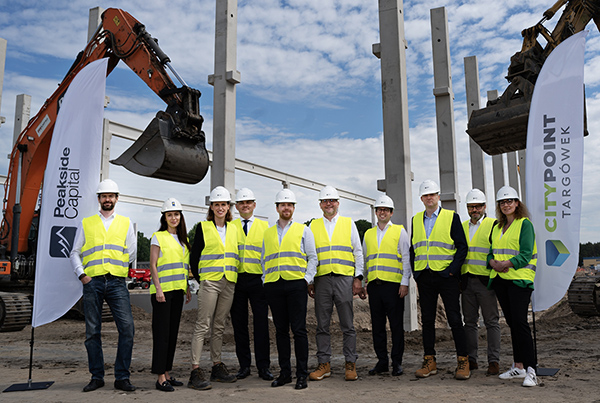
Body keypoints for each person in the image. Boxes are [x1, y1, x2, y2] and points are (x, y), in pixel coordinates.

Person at [70, 179, 137, 392]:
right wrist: (82, 275)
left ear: (116, 198)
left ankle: (121, 377)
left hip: (117, 282)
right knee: (92, 332)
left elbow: (132, 252)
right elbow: (75, 252)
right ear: (99, 199)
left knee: (127, 329)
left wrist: (118, 269)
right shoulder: (86, 223)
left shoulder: (125, 223)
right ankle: (96, 377)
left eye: (111, 196)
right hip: (93, 282)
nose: (107, 199)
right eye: (103, 196)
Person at [410, 179, 470, 380]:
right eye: (426, 195)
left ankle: (463, 360)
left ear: (438, 196)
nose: (429, 198)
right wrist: (416, 273)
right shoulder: (416, 219)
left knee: (454, 318)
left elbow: (462, 247)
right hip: (425, 277)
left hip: (446, 277)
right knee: (427, 321)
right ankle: (429, 360)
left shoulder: (451, 217)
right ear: (421, 198)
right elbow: (414, 248)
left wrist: (452, 271)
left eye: (433, 194)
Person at [261, 189, 317, 390]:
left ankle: (301, 374)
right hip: (274, 285)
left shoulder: (304, 230)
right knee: (281, 331)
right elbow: (263, 260)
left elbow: (313, 258)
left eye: (290, 205)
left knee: (299, 330)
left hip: (296, 285)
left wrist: (306, 280)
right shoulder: (267, 233)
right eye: (283, 205)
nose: (286, 208)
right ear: (277, 208)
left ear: (294, 208)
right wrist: (265, 280)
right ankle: (285, 373)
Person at [308, 185, 364, 382]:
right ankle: (324, 364)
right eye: (325, 200)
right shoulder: (313, 226)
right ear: (320, 204)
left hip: (344, 280)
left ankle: (350, 363)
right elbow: (309, 255)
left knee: (348, 325)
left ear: (338, 203)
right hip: (322, 280)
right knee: (322, 325)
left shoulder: (349, 224)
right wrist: (310, 279)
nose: (328, 203)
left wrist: (358, 277)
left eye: (331, 200)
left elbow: (358, 251)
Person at [188, 186, 239, 390]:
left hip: (229, 281)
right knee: (203, 325)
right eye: (217, 204)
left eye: (224, 204)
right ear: (212, 207)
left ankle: (216, 366)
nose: (220, 208)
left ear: (228, 207)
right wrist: (202, 279)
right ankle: (195, 370)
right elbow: (194, 256)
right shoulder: (203, 227)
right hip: (210, 281)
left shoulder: (234, 228)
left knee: (219, 326)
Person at [488, 185, 538, 387]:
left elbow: (526, 254)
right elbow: (491, 252)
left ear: (517, 203)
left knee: (520, 323)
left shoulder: (524, 224)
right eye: (502, 202)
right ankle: (518, 366)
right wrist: (493, 263)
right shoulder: (497, 227)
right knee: (512, 323)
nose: (506, 205)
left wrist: (505, 264)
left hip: (519, 280)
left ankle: (532, 370)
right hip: (501, 280)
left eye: (509, 201)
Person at [363, 194, 411, 377]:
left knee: (396, 326)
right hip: (374, 286)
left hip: (394, 286)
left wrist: (405, 282)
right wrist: (364, 282)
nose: (382, 212)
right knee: (377, 326)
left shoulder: (399, 231)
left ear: (391, 213)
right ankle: (382, 361)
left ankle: (397, 362)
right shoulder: (368, 234)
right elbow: (366, 260)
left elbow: (406, 258)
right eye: (379, 209)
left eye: (385, 209)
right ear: (376, 212)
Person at [230, 188, 274, 381]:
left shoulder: (265, 227)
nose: (245, 205)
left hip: (258, 280)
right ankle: (244, 366)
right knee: (239, 325)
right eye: (242, 203)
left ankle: (263, 366)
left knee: (261, 325)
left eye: (249, 202)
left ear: (254, 205)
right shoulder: (231, 227)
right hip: (237, 280)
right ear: (237, 207)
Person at [149, 198, 193, 392]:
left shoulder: (184, 241)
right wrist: (158, 289)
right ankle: (160, 377)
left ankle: (167, 372)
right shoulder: (158, 237)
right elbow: (152, 265)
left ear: (180, 217)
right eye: (170, 215)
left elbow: (184, 268)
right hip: (163, 293)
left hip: (177, 292)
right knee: (161, 335)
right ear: (164, 217)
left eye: (176, 214)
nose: (173, 218)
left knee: (172, 334)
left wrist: (187, 288)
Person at [460, 189, 501, 375]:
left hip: (486, 282)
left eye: (477, 206)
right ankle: (472, 360)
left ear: (485, 207)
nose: (474, 209)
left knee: (491, 322)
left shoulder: (494, 225)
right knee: (469, 322)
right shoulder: (461, 226)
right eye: (471, 206)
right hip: (466, 281)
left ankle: (493, 361)